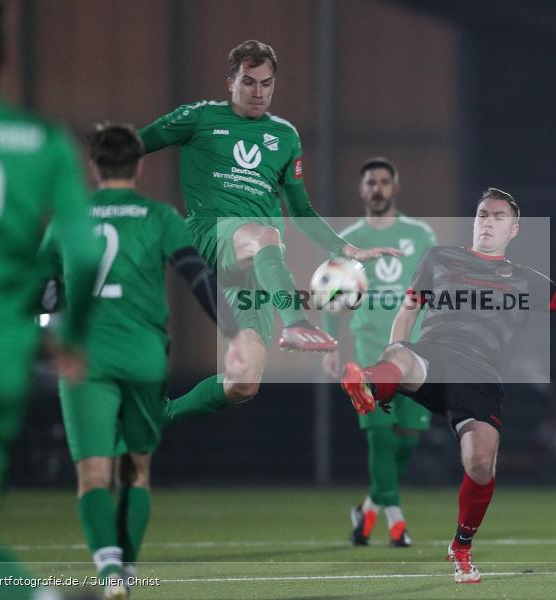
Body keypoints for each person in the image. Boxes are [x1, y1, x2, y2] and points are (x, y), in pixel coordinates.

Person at [340, 187, 556, 583]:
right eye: (481, 214)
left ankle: (460, 547)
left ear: (513, 229)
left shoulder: (525, 279)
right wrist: (394, 350)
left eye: (497, 216)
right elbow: (409, 309)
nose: (487, 221)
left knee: (480, 463)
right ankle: (373, 387)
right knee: (399, 356)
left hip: (479, 376)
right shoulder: (440, 258)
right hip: (434, 357)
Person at [0, 1, 101, 598]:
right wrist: (72, 338)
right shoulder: (44, 144)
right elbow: (82, 254)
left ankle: (38, 597)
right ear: (4, 58)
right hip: (4, 362)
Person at [139, 40, 398, 422]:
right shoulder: (200, 117)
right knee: (264, 236)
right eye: (248, 82)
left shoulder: (285, 136)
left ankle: (160, 416)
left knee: (243, 383)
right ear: (230, 82)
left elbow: (301, 209)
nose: (258, 92)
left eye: (266, 83)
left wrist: (346, 249)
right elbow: (136, 144)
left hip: (256, 262)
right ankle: (295, 324)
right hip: (211, 233)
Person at [40, 124, 238, 599]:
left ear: (93, 167)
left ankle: (109, 573)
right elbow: (196, 275)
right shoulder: (161, 216)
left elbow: (43, 291)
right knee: (136, 470)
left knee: (93, 474)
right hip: (144, 355)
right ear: (140, 165)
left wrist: (45, 330)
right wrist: (232, 330)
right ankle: (127, 571)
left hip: (85, 359)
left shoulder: (69, 217)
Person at [320, 158, 436, 547]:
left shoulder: (420, 235)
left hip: (414, 355)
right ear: (362, 189)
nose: (378, 189)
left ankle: (367, 508)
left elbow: (438, 287)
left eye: (384, 182)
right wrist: (331, 344)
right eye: (371, 182)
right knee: (380, 439)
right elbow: (333, 296)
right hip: (370, 357)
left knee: (407, 440)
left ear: (395, 186)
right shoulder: (349, 239)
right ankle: (396, 522)